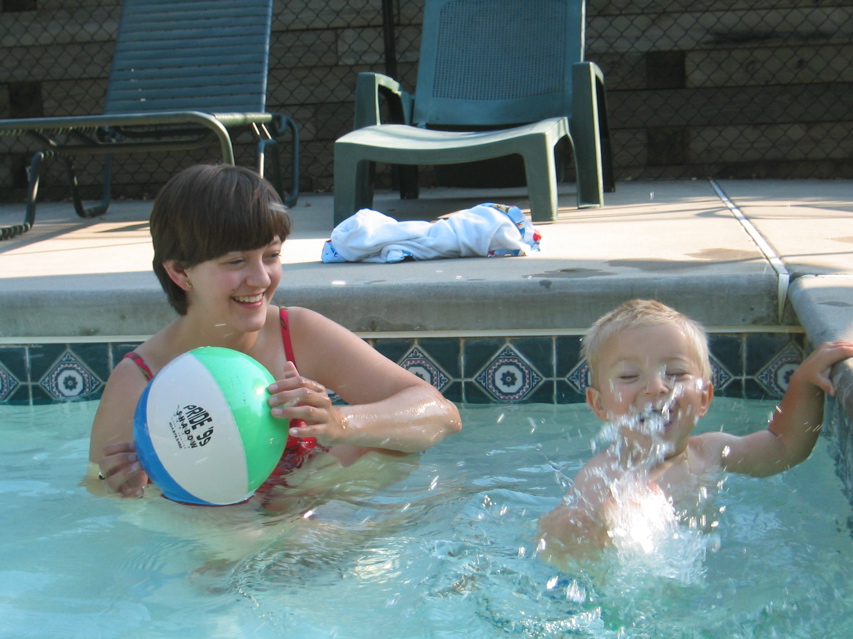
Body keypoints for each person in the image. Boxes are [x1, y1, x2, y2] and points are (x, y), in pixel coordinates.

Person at [90, 163, 461, 501]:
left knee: (391, 444)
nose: (261, 278)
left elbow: (440, 415)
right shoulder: (141, 380)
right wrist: (127, 490)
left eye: (271, 255)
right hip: (218, 530)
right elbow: (99, 495)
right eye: (236, 261)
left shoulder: (296, 332)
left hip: (308, 502)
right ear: (180, 272)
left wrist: (341, 423)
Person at [537, 298, 853, 561]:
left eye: (675, 372)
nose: (656, 387)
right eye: (629, 376)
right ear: (599, 404)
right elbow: (557, 541)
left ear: (704, 399)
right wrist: (601, 523)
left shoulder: (711, 451)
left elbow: (783, 448)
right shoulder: (605, 475)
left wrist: (804, 382)